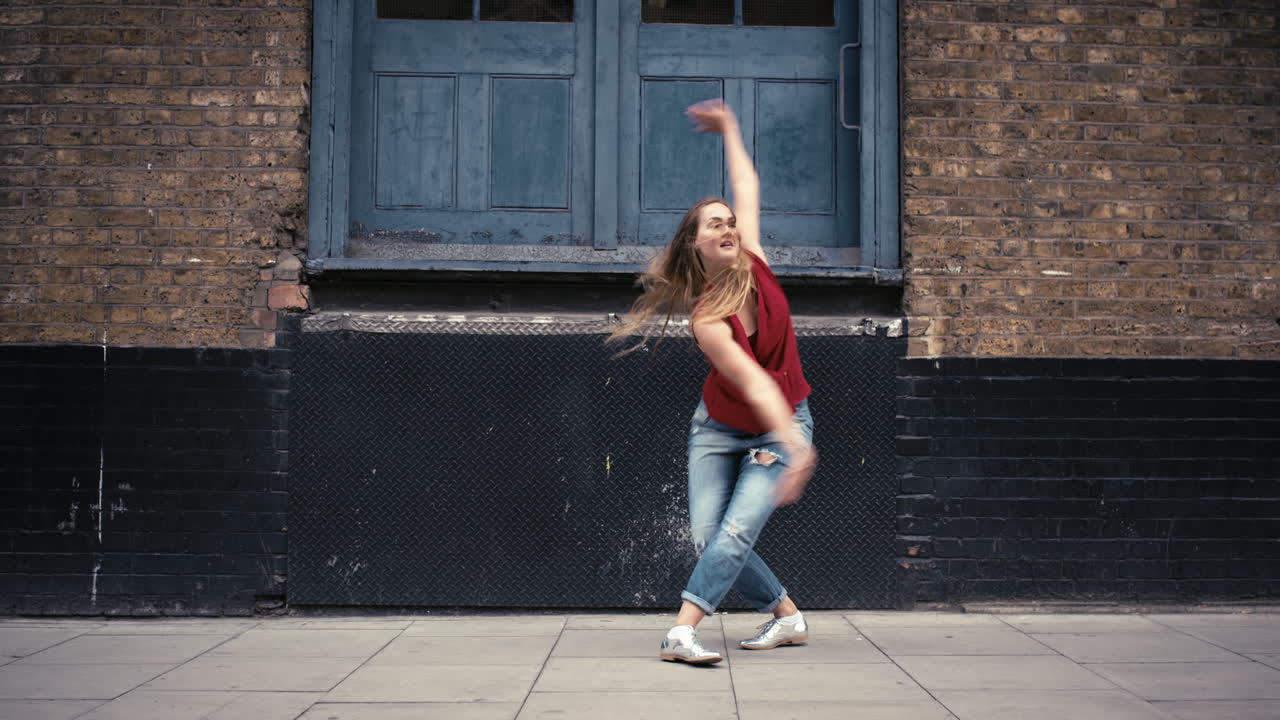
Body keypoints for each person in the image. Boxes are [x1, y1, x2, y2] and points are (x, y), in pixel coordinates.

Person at [608, 99, 818, 665]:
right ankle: (788, 617)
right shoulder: (707, 321)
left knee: (735, 530)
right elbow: (751, 383)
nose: (728, 226)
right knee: (713, 535)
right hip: (719, 429)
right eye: (715, 224)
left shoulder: (754, 259)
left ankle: (681, 631)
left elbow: (746, 183)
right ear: (697, 245)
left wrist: (729, 127)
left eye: (730, 220)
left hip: (780, 427)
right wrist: (797, 447)